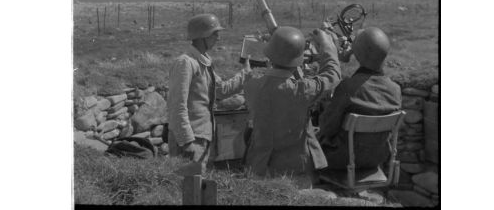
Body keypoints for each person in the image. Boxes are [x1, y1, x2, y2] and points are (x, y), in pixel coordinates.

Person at [243, 26, 341, 187]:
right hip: (295, 170)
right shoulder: (302, 90)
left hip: (259, 168)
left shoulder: (251, 85)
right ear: (298, 60)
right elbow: (332, 75)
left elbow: (274, 81)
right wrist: (327, 45)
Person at [167, 13, 252, 170]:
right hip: (190, 139)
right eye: (215, 34)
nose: (218, 38)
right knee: (187, 187)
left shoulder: (203, 62)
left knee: (198, 186)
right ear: (202, 36)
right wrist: (186, 141)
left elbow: (221, 90)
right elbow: (177, 104)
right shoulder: (185, 63)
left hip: (201, 137)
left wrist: (246, 72)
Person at [318, 26, 402, 170]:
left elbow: (327, 128)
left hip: (342, 160)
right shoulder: (395, 90)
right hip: (377, 159)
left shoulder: (347, 87)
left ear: (357, 54)